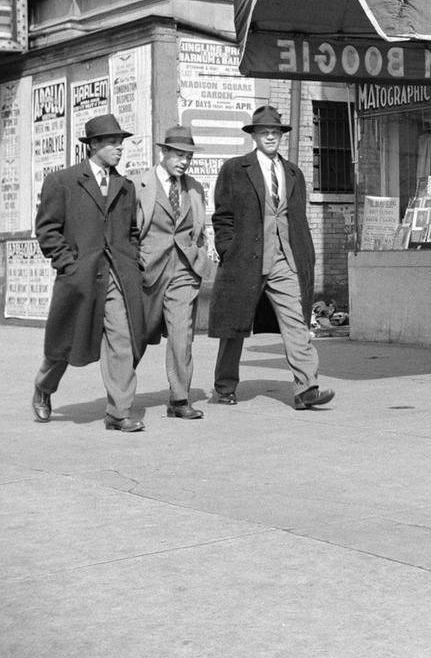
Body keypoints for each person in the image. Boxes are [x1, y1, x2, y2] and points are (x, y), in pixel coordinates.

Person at [207, 105, 334, 410]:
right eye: (264, 132)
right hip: (245, 259)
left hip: (285, 260)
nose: (270, 137)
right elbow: (223, 216)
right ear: (254, 136)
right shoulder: (235, 170)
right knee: (234, 327)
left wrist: (305, 254)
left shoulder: (292, 172)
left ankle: (306, 388)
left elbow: (297, 217)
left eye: (275, 132)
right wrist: (228, 249)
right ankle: (224, 387)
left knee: (296, 323)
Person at [32, 114, 147, 432]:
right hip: (80, 278)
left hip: (118, 278)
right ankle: (44, 388)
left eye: (121, 142)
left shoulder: (125, 186)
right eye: (112, 142)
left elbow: (132, 231)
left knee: (122, 340)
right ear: (93, 145)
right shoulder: (63, 181)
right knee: (64, 346)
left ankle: (118, 411)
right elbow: (47, 229)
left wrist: (131, 260)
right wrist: (67, 264)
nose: (119, 148)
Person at [133, 125, 211, 419]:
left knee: (182, 335)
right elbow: (129, 230)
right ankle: (120, 393)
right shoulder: (138, 185)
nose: (184, 161)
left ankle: (179, 399)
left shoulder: (195, 188)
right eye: (178, 155)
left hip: (183, 272)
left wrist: (198, 255)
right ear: (163, 152)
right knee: (134, 337)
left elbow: (198, 229)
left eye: (188, 156)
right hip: (148, 272)